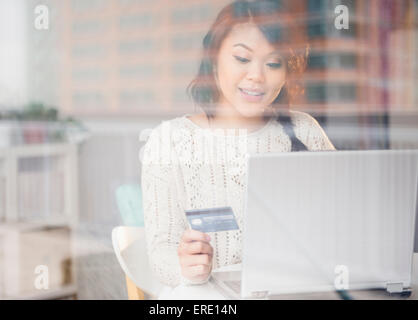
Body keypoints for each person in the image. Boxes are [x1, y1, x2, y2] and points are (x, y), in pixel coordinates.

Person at [141, 0, 335, 289]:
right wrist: (188, 267)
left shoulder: (305, 131)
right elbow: (161, 254)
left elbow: (339, 228)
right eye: (242, 59)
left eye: (273, 63)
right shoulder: (169, 141)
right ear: (214, 57)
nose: (257, 76)